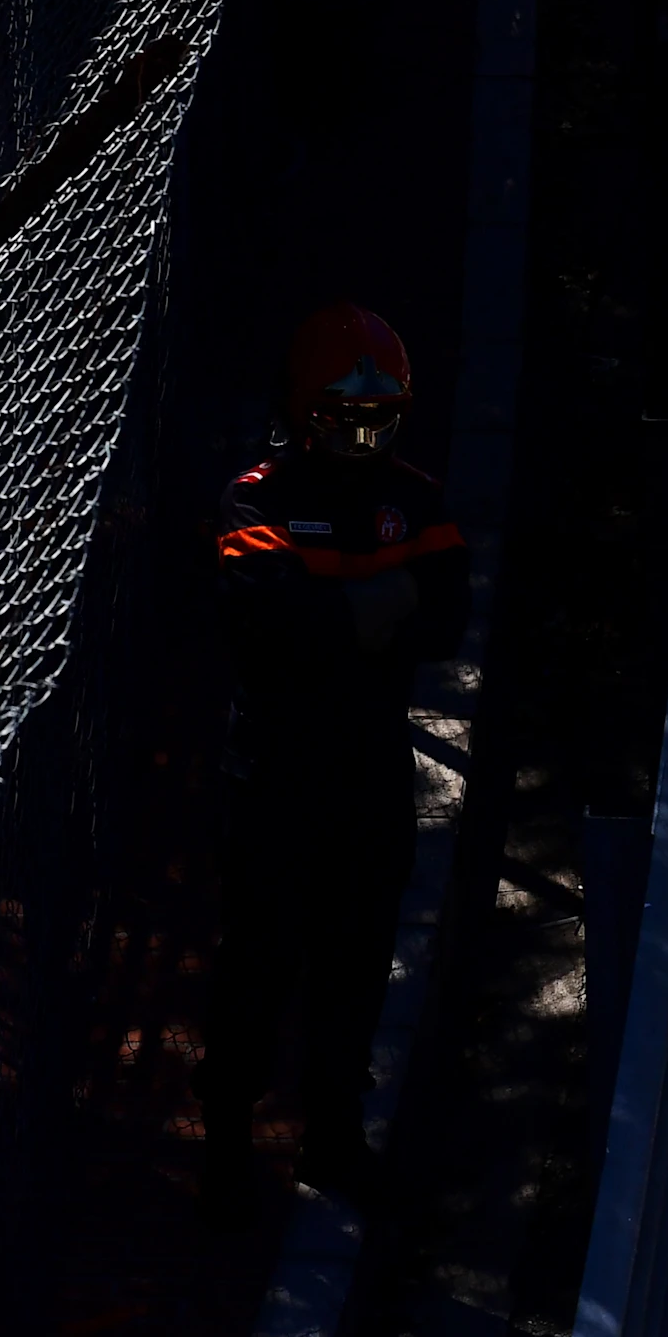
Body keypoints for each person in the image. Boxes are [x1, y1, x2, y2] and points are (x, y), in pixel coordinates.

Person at [194, 304, 468, 1187]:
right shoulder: (256, 497)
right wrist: (380, 606)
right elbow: (262, 624)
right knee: (257, 964)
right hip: (274, 776)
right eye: (345, 414)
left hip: (366, 776)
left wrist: (327, 617)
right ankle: (228, 1139)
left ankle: (336, 1134)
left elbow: (451, 616)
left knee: (355, 964)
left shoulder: (415, 499)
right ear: (305, 409)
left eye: (379, 414)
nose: (363, 433)